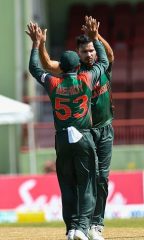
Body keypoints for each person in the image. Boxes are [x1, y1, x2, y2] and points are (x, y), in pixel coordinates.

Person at [26, 18, 109, 240]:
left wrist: (36, 45)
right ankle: (82, 227)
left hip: (62, 139)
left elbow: (35, 68)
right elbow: (104, 63)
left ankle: (71, 229)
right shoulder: (86, 79)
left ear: (61, 68)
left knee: (68, 185)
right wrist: (95, 38)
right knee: (88, 185)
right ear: (77, 65)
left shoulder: (53, 83)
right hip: (84, 138)